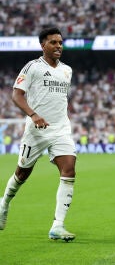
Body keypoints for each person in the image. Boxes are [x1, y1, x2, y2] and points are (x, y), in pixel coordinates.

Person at [0, 27, 77, 242]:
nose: (58, 46)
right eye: (53, 42)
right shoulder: (32, 67)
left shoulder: (67, 70)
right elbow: (17, 95)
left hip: (61, 129)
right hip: (36, 131)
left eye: (60, 42)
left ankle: (57, 226)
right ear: (43, 45)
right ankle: (4, 202)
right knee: (21, 174)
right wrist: (33, 115)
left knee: (69, 169)